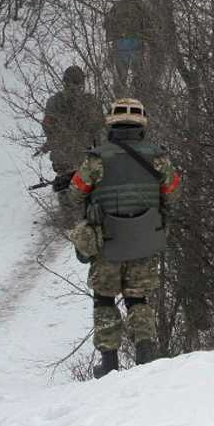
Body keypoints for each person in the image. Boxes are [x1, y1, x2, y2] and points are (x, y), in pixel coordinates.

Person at [64, 98, 182, 378]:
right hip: (145, 241)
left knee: (104, 299)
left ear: (111, 123)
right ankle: (145, 354)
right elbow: (173, 194)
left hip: (108, 242)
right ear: (143, 124)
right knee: (138, 298)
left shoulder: (96, 159)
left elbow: (75, 194)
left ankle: (109, 363)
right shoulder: (159, 157)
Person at [41, 65, 104, 175]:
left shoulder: (54, 101)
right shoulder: (91, 101)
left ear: (64, 81)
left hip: (62, 158)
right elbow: (99, 130)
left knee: (65, 187)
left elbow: (47, 127)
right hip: (85, 157)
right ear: (82, 83)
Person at [103, 0, 152, 94]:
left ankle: (120, 99)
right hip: (136, 43)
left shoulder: (118, 5)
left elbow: (106, 24)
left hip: (121, 44)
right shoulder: (142, 6)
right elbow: (150, 25)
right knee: (138, 77)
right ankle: (138, 96)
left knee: (121, 79)